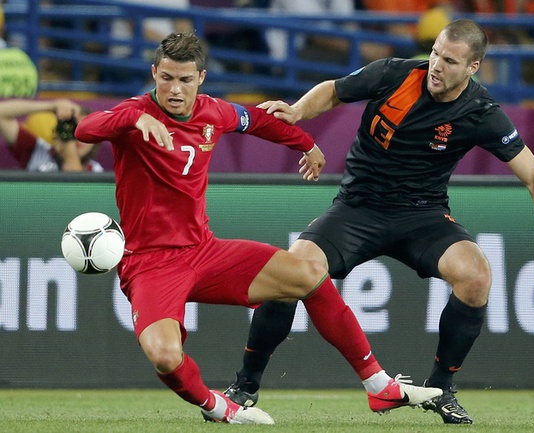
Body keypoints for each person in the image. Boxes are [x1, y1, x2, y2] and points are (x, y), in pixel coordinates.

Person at [222, 19, 534, 425]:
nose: (436, 66)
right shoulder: (393, 74)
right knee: (288, 273)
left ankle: (441, 389)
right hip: (357, 208)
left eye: (450, 61)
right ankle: (245, 386)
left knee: (476, 276)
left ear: (473, 67)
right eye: (435, 54)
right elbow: (334, 90)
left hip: (423, 216)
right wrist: (299, 111)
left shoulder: (481, 112)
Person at [74, 32, 441, 425]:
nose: (174, 89)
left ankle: (378, 385)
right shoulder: (134, 114)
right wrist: (134, 117)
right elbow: (85, 129)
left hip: (203, 251)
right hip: (151, 263)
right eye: (166, 78)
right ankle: (219, 408)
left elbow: (259, 121)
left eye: (184, 80)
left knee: (309, 275)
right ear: (154, 74)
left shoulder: (214, 112)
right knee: (164, 355)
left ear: (201, 78)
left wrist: (306, 144)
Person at [0, 98, 102, 172]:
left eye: (87, 132)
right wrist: (52, 106)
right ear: (59, 132)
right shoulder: (36, 151)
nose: (80, 139)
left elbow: (76, 192)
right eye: (73, 130)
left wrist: (69, 153)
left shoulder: (95, 170)